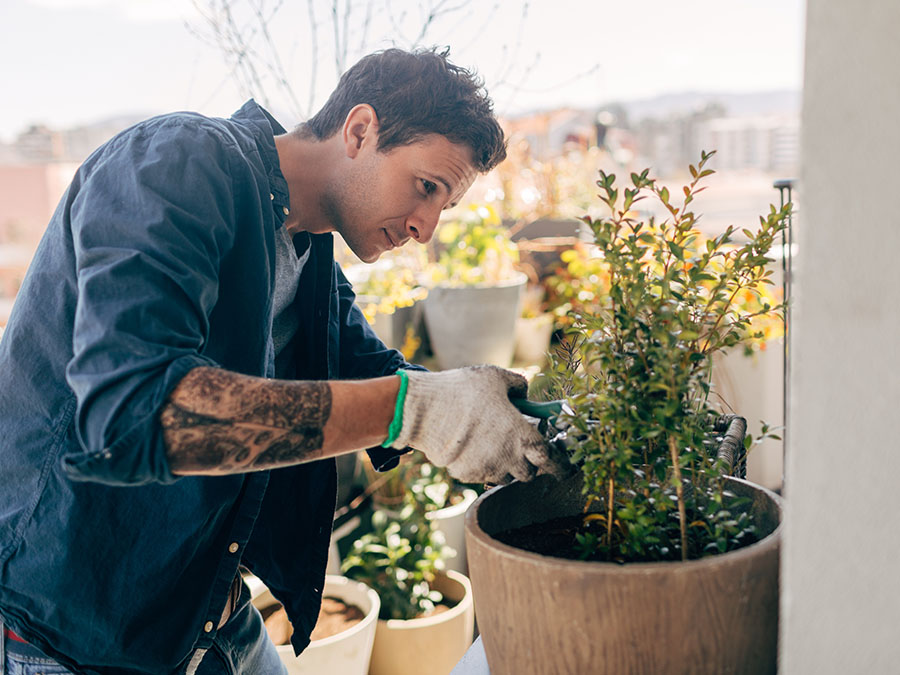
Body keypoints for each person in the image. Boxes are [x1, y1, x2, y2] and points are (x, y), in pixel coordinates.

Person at [0, 47, 569, 674]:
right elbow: (137, 414)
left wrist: (523, 419)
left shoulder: (308, 249)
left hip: (206, 613)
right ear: (359, 131)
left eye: (443, 205)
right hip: (71, 635)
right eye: (426, 187)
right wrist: (416, 411)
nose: (426, 227)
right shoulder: (175, 164)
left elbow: (378, 377)